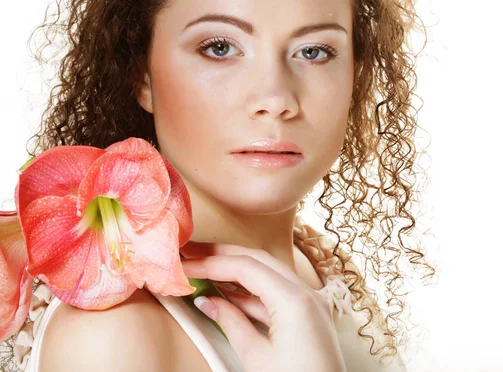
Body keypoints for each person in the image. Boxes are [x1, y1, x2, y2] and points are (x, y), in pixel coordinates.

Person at [2, 0, 435, 371]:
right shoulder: (115, 333)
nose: (276, 99)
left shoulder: (322, 267)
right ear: (142, 77)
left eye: (315, 51)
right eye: (220, 47)